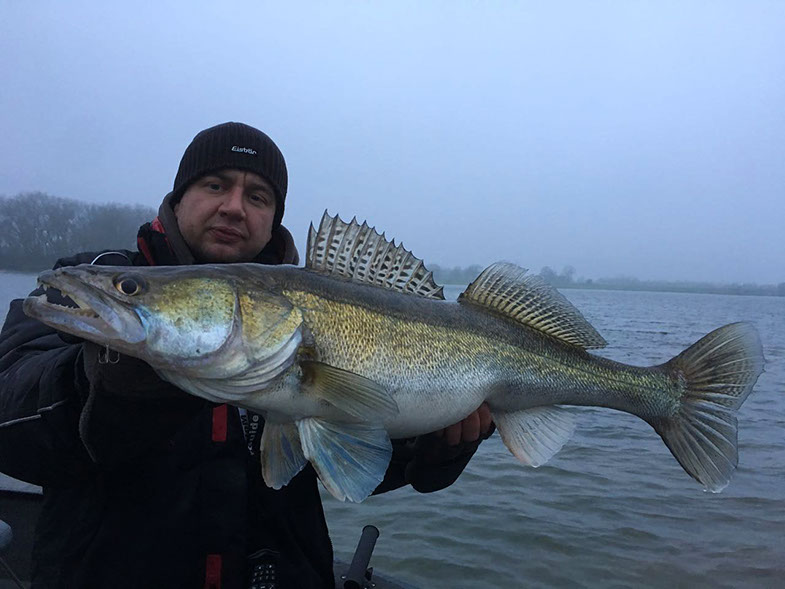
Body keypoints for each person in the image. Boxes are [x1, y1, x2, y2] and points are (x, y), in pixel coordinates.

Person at [0, 122, 493, 588]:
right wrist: (105, 385)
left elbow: (353, 454)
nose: (235, 207)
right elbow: (12, 418)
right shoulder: (87, 284)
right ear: (178, 199)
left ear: (273, 218)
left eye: (258, 196)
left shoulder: (301, 308)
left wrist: (433, 454)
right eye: (215, 185)